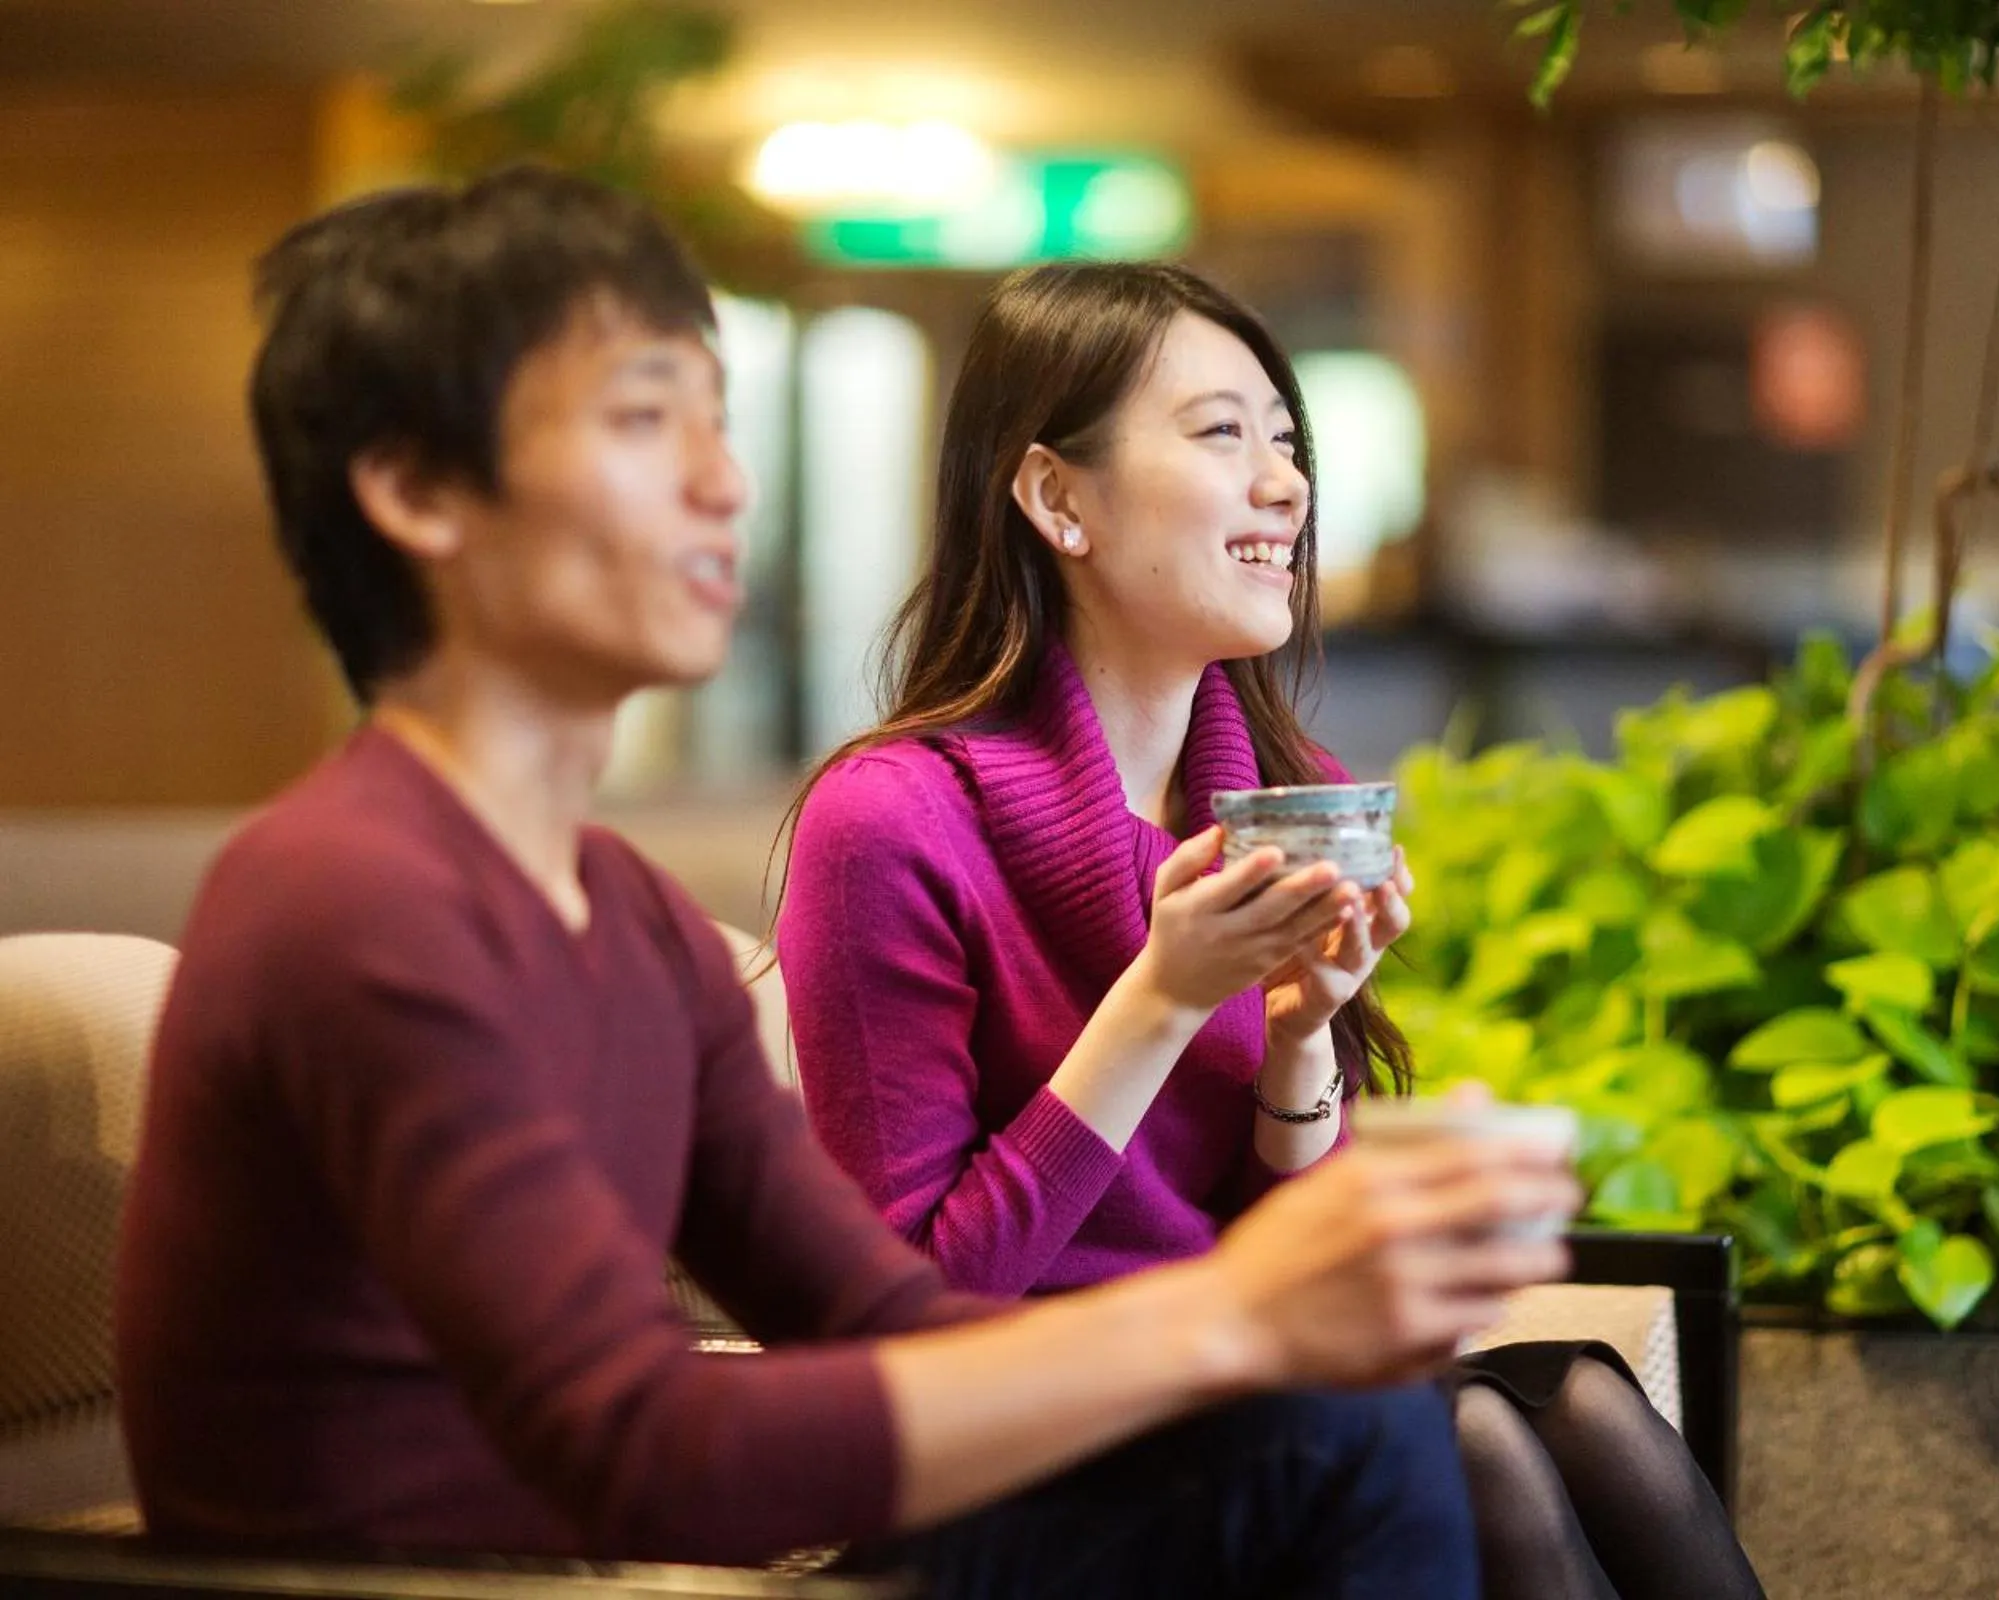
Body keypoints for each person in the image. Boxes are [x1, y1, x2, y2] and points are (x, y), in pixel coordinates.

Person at [112, 166, 1585, 1599]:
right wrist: (1241, 1316)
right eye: (645, 422)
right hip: (464, 1584)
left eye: (718, 421)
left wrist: (1304, 1264)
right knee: (1347, 1434)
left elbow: (897, 1325)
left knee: (1389, 1419)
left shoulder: (624, 915)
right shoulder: (352, 895)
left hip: (621, 1570)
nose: (726, 482)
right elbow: (641, 1451)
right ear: (418, 492)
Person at [776, 261, 1768, 1600]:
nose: (1287, 485)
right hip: (1009, 1464)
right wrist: (1160, 1003)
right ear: (1055, 496)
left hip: (1243, 1407)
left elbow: (1276, 1269)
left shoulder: (1262, 802)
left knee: (1586, 1404)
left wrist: (1303, 1049)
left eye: (1287, 441)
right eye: (1221, 434)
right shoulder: (892, 823)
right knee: (1470, 1440)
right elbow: (906, 1315)